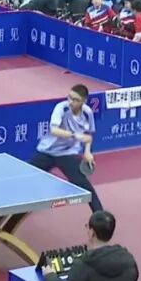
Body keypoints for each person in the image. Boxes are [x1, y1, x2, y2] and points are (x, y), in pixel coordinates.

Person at [30, 84, 103, 212]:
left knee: (85, 186)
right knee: (26, 179)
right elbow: (54, 130)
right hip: (47, 152)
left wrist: (87, 152)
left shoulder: (87, 112)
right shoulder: (61, 108)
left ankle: (100, 217)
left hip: (67, 154)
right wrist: (76, 135)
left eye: (75, 100)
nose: (71, 102)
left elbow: (88, 135)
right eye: (69, 97)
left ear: (84, 101)